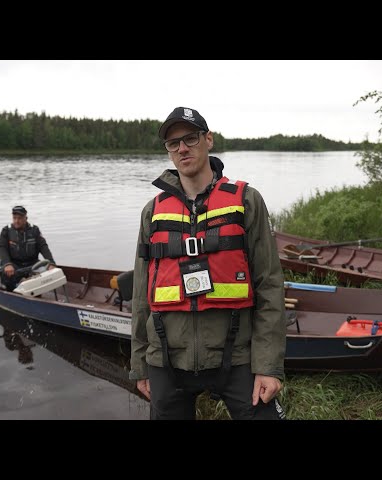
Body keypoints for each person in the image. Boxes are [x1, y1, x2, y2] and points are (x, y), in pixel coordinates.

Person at [130, 107, 287, 420]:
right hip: (166, 358)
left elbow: (269, 284)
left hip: (237, 355)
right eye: (173, 144)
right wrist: (139, 365)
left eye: (190, 138)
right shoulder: (153, 212)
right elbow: (140, 295)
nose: (182, 148)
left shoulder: (246, 201)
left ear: (208, 140)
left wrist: (269, 366)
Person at [0, 206, 56, 291]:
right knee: (5, 272)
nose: (16, 221)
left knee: (47, 270)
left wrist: (51, 263)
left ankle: (31, 286)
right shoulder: (6, 230)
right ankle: (13, 290)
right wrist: (7, 264)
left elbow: (43, 247)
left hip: (32, 264)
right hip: (14, 264)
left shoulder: (34, 230)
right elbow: (2, 248)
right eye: (14, 218)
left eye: (20, 218)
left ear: (26, 218)